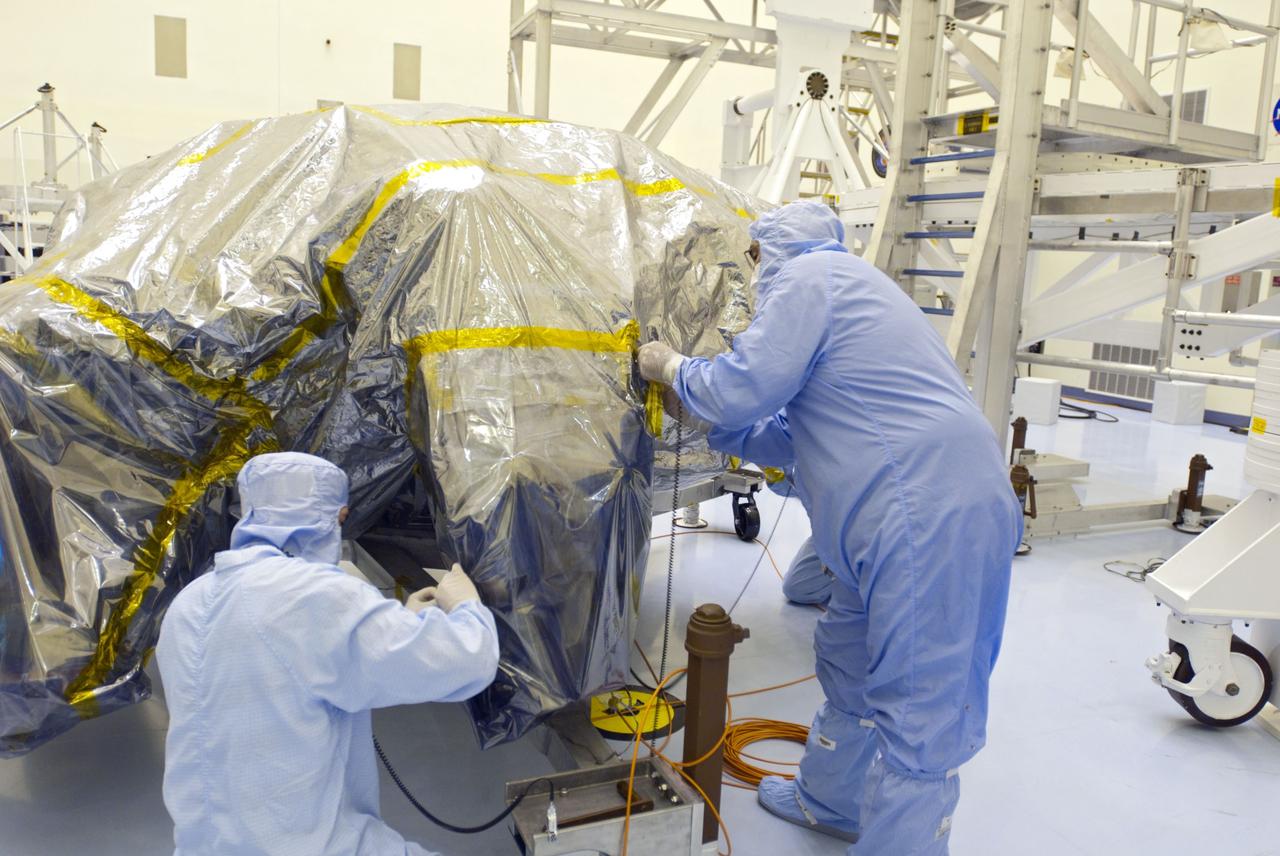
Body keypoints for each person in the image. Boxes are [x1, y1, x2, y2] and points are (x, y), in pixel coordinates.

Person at [639, 202, 1022, 854]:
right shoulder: (848, 292)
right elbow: (790, 430)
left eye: (754, 259)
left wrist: (674, 369)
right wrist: (712, 419)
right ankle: (830, 802)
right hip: (887, 521)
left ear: (772, 249)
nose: (752, 276)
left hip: (933, 512)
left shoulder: (811, 279)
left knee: (919, 700)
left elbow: (745, 385)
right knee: (847, 653)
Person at [156, 452, 499, 856]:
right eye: (340, 521)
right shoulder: (313, 596)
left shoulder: (190, 603)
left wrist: (394, 623)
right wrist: (466, 608)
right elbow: (466, 660)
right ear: (329, 517)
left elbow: (287, 667)